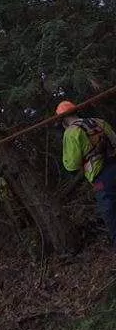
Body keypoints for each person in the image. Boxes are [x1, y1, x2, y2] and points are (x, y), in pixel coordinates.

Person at [58, 100, 116, 248]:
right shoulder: (99, 121)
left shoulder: (71, 132)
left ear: (62, 120)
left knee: (111, 215)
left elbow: (71, 165)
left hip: (102, 178)